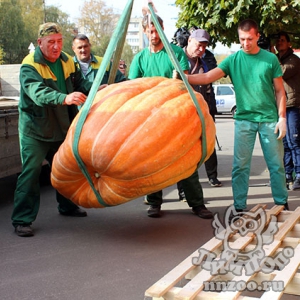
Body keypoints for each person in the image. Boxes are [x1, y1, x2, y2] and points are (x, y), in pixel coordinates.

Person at [186, 19, 288, 213]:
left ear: (257, 36)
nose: (246, 43)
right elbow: (208, 77)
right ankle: (239, 207)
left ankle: (282, 203)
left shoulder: (270, 59)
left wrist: (282, 117)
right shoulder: (234, 60)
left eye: (250, 39)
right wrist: (185, 78)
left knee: (276, 166)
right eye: (242, 39)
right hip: (244, 120)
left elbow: (280, 91)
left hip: (268, 120)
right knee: (240, 167)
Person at [11, 23, 95, 237]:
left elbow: (79, 83)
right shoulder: (29, 65)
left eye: (59, 41)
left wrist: (97, 89)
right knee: (31, 173)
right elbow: (37, 92)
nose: (56, 46)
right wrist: (64, 98)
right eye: (51, 42)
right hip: (35, 131)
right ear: (40, 43)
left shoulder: (67, 61)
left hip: (60, 127)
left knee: (65, 168)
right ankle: (22, 219)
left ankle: (66, 206)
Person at [128, 13, 213, 219]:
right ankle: (154, 202)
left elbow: (184, 83)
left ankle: (197, 204)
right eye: (150, 30)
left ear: (163, 29)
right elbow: (132, 88)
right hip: (149, 119)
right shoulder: (140, 58)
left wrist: (178, 79)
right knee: (152, 162)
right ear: (144, 31)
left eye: (157, 29)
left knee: (185, 161)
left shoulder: (175, 53)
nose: (154, 34)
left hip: (175, 118)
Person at [184, 29, 222, 188]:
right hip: (184, 112)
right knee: (184, 148)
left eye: (204, 47)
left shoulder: (205, 62)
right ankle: (183, 189)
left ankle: (212, 176)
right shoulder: (178, 58)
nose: (201, 49)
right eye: (199, 45)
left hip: (204, 108)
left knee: (208, 143)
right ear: (189, 41)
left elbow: (208, 86)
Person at [275, 32, 300, 190]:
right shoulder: (276, 58)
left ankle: (299, 174)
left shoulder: (294, 60)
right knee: (283, 142)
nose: (279, 43)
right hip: (279, 106)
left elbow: (281, 72)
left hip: (292, 105)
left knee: (294, 141)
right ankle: (287, 174)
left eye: (283, 41)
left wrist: (271, 56)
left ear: (289, 44)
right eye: (278, 41)